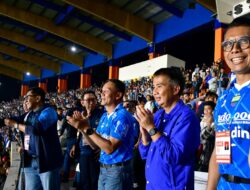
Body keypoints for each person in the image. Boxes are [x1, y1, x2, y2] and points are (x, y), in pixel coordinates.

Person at [135, 67, 200, 190]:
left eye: (159, 86)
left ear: (176, 89)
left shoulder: (187, 117)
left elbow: (173, 156)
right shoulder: (158, 115)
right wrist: (144, 132)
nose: (154, 92)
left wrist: (151, 128)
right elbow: (145, 154)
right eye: (154, 87)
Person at [67, 79, 138, 190]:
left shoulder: (122, 116)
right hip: (103, 169)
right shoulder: (105, 116)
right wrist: (81, 129)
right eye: (102, 91)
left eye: (106, 91)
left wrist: (87, 128)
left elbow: (109, 148)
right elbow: (94, 145)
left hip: (117, 170)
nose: (102, 94)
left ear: (118, 95)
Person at [207, 17, 250, 189]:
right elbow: (220, 149)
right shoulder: (224, 98)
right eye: (228, 44)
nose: (235, 49)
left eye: (244, 41)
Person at [4, 87, 63, 190]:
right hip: (30, 161)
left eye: (28, 97)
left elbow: (36, 129)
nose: (25, 100)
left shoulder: (49, 111)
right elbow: (12, 120)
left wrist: (16, 125)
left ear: (37, 98)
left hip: (47, 162)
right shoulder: (29, 114)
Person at [70, 90, 104, 190]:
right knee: (84, 182)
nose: (91, 102)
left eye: (93, 100)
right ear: (82, 102)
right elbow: (78, 132)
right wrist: (75, 145)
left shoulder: (101, 115)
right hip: (83, 153)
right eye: (88, 100)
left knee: (94, 182)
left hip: (95, 154)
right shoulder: (80, 114)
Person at [197, 101, 216, 172]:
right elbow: (202, 138)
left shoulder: (217, 122)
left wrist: (212, 124)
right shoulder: (202, 122)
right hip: (205, 156)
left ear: (213, 111)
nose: (206, 112)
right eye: (205, 109)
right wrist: (208, 126)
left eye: (208, 109)